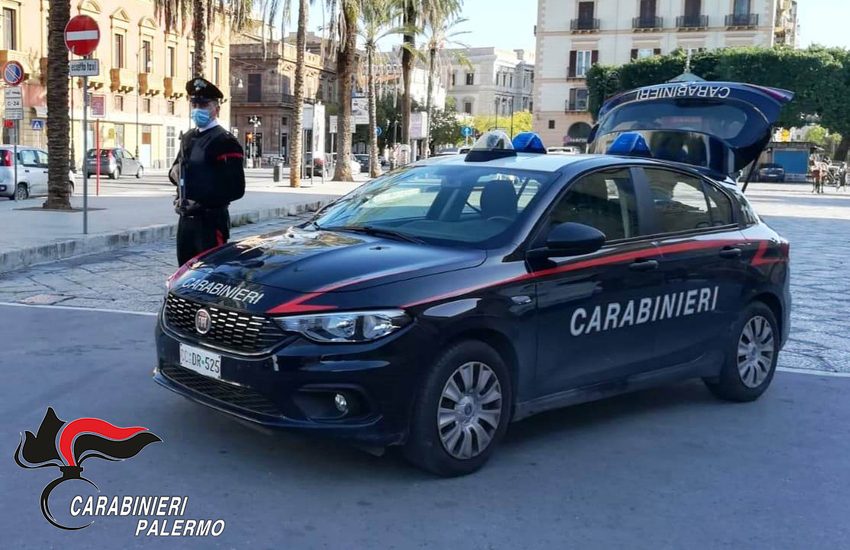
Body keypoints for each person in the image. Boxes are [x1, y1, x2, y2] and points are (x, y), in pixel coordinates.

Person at [169, 77, 245, 266]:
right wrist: (174, 173)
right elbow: (176, 168)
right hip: (186, 220)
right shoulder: (188, 137)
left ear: (216, 109)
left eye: (203, 104)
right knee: (185, 273)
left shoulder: (224, 141)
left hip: (211, 222)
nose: (198, 109)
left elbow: (236, 188)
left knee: (211, 272)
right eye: (194, 104)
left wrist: (201, 201)